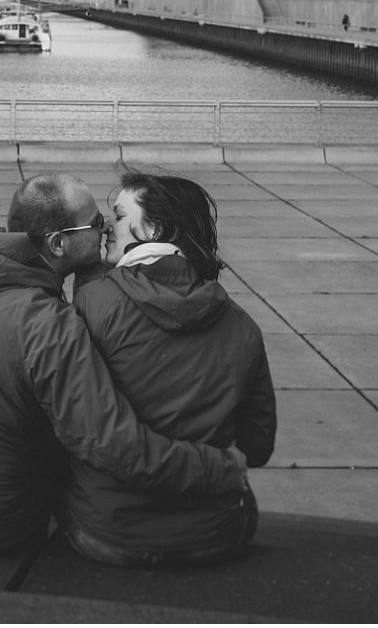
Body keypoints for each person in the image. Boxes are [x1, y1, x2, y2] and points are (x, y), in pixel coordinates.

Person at [0, 171, 248, 554]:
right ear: (58, 244)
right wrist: (223, 468)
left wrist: (91, 276)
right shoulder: (48, 327)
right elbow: (115, 447)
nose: (107, 226)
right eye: (94, 223)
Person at [63, 170, 277, 567]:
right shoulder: (243, 326)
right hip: (216, 536)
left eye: (120, 215)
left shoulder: (94, 304)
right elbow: (258, 447)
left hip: (107, 533)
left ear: (154, 227)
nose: (108, 227)